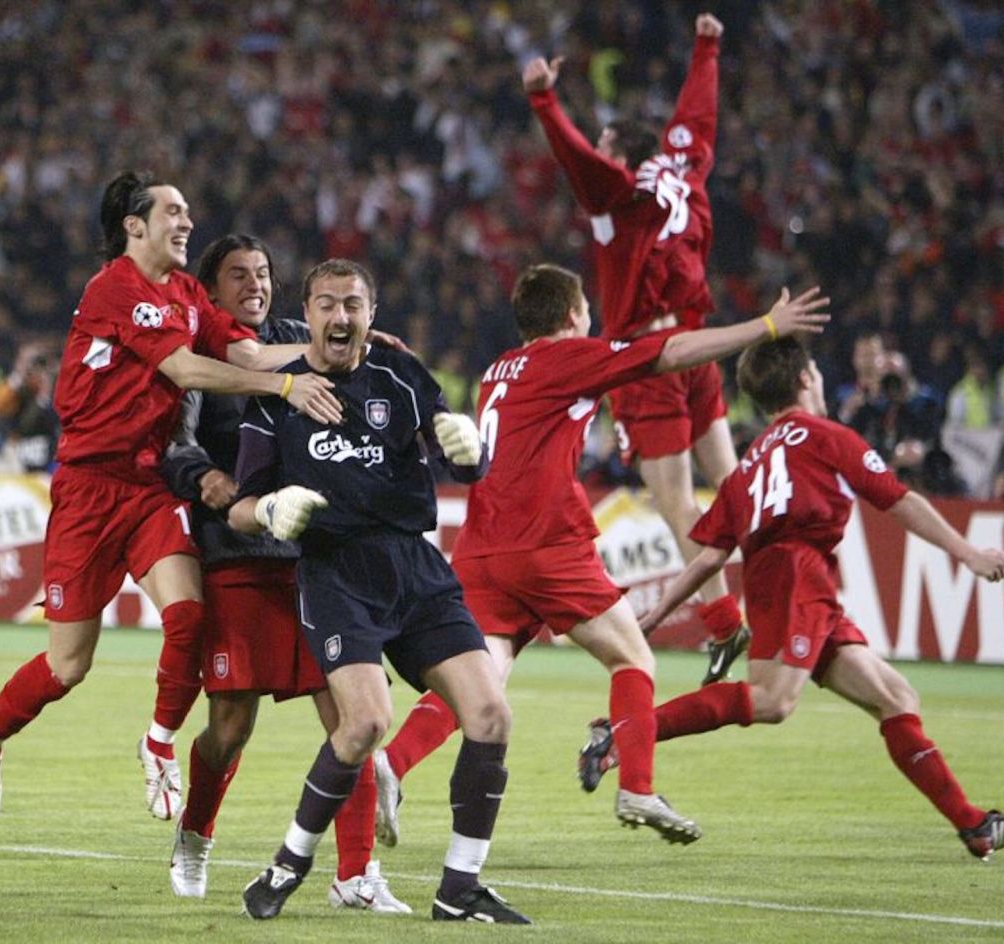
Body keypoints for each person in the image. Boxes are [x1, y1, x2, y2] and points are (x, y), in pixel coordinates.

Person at [370, 264, 829, 847]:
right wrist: (765, 325)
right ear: (571, 316)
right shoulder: (566, 356)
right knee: (633, 659)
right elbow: (671, 350)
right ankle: (637, 785)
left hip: (484, 548)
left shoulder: (496, 373)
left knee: (477, 683)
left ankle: (392, 763)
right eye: (586, 308)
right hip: (547, 543)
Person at [0, 170, 344, 823]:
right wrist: (285, 388)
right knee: (67, 665)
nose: (187, 221)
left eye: (188, 209)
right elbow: (186, 369)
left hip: (145, 486)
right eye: (173, 211)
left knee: (188, 617)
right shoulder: (116, 289)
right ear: (135, 226)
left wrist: (336, 351)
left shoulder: (189, 292)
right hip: (87, 488)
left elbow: (248, 354)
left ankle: (158, 742)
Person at [604, 335, 1004, 862]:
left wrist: (653, 615)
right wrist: (966, 552)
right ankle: (623, 733)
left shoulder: (747, 466)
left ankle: (974, 826)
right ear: (806, 379)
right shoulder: (826, 436)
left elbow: (708, 557)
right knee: (772, 702)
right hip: (798, 575)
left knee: (896, 698)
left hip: (793, 583)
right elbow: (897, 500)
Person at [228, 258, 531, 924]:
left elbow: (461, 459)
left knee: (492, 716)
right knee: (366, 722)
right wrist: (272, 510)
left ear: (373, 311)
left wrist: (471, 450)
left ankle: (460, 889)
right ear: (306, 312)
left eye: (354, 305)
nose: (341, 318)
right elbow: (239, 507)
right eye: (328, 304)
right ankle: (287, 865)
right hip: (336, 571)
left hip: (415, 568)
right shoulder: (277, 395)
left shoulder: (404, 377)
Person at [160, 234, 407, 911]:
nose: (254, 285)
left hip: (313, 555)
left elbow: (353, 358)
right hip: (237, 550)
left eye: (264, 273)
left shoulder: (298, 337)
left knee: (352, 715)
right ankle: (195, 833)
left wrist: (379, 348)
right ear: (210, 293)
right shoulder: (195, 352)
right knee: (232, 726)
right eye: (238, 276)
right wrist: (205, 476)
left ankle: (354, 877)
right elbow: (171, 441)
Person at [523, 13, 751, 686]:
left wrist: (544, 100)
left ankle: (723, 623)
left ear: (620, 153)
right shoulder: (683, 172)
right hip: (697, 345)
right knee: (731, 483)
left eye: (605, 144)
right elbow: (697, 120)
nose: (597, 149)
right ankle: (778, 588)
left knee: (677, 502)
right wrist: (707, 45)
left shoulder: (619, 195)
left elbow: (580, 164)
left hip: (650, 358)